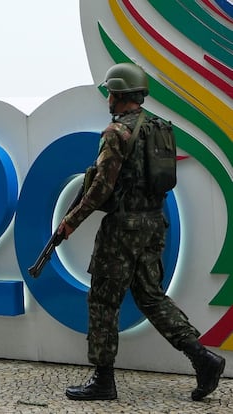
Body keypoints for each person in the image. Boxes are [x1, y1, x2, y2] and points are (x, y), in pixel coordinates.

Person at [57, 62, 226, 402]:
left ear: (118, 94)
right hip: (153, 223)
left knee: (104, 300)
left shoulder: (116, 133)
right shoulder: (158, 128)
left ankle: (103, 382)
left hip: (123, 228)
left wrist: (71, 220)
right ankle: (203, 358)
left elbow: (101, 188)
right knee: (150, 296)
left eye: (110, 92)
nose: (108, 98)